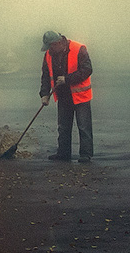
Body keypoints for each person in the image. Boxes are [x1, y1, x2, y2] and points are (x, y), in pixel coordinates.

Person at [39, 29, 93, 163]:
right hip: (63, 96)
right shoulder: (48, 55)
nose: (49, 50)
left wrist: (67, 79)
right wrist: (45, 94)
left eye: (51, 46)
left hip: (80, 96)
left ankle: (85, 155)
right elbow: (45, 76)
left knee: (84, 127)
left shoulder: (79, 49)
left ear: (58, 43)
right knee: (63, 127)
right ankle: (63, 153)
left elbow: (87, 70)